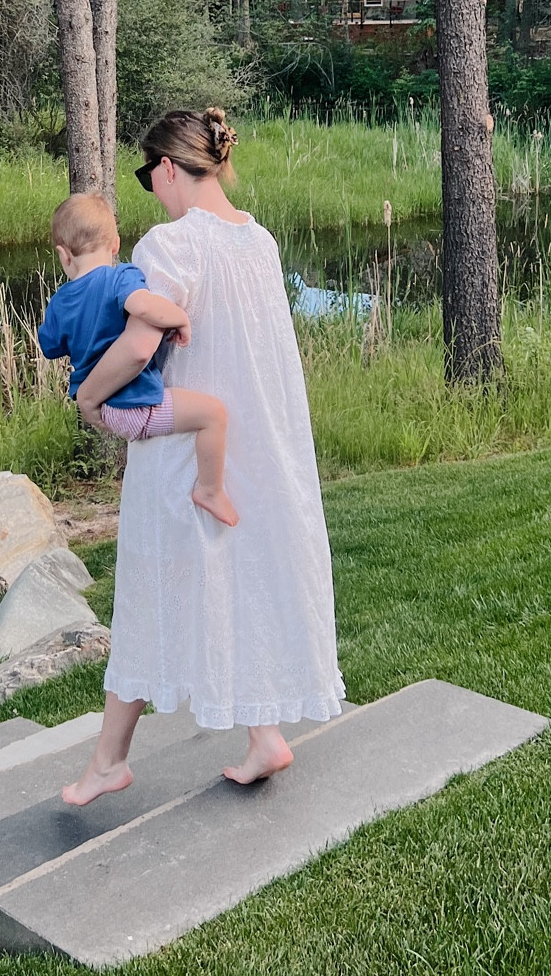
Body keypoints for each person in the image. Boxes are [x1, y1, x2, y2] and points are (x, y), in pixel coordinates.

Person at [62, 107, 344, 807]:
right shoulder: (261, 241)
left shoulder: (169, 245)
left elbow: (134, 346)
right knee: (233, 584)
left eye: (147, 176)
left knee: (152, 594)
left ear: (167, 168)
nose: (150, 191)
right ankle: (261, 737)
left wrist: (90, 401)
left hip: (185, 451)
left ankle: (108, 763)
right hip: (255, 445)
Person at [38, 192, 238, 527]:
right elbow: (143, 306)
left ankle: (205, 490)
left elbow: (50, 347)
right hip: (136, 406)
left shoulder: (59, 303)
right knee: (213, 415)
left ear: (63, 255)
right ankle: (209, 490)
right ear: (114, 244)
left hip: (106, 409)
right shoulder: (120, 277)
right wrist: (179, 318)